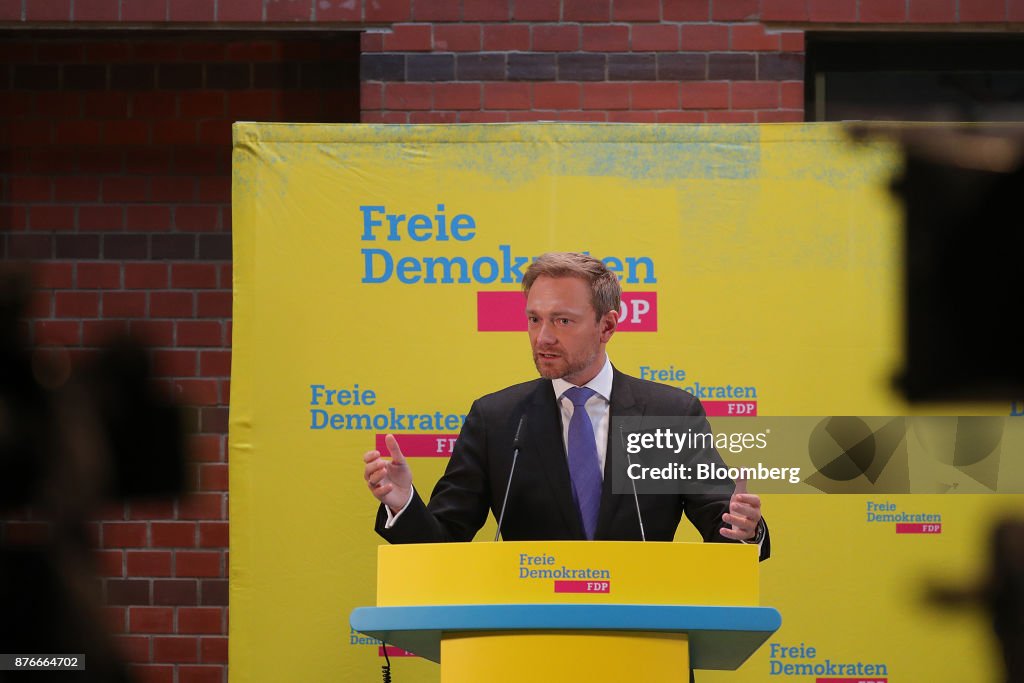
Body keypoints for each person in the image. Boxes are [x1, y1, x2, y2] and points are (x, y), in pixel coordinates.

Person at [364, 252, 768, 558]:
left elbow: (724, 532)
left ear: (607, 326)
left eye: (562, 321)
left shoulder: (670, 414)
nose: (542, 338)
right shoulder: (497, 419)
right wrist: (404, 505)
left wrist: (745, 529)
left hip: (645, 637)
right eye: (534, 319)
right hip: (531, 643)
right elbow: (441, 547)